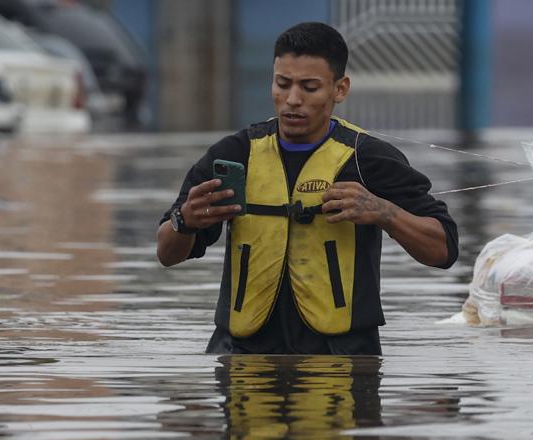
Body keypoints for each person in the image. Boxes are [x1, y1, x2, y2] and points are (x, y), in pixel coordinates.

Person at [156, 22, 459, 355]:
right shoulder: (235, 154)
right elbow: (167, 255)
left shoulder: (366, 158)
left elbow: (443, 250)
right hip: (240, 354)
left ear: (339, 89)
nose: (292, 100)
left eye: (309, 87)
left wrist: (383, 212)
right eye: (282, 84)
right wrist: (184, 221)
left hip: (342, 357)